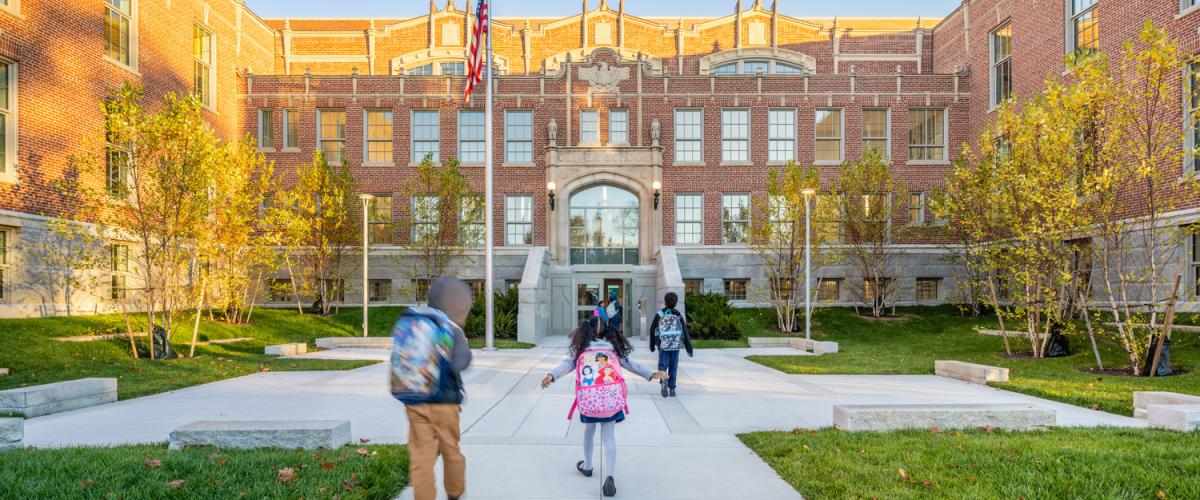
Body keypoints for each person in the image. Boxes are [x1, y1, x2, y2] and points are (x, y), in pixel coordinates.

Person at [541, 316, 667, 497]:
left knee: (589, 431)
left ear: (586, 332)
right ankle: (609, 476)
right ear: (609, 332)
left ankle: (588, 466)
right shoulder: (613, 351)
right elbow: (632, 365)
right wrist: (652, 374)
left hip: (589, 401)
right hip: (611, 401)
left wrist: (551, 376)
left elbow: (567, 364)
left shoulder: (582, 350)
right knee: (609, 437)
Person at [401, 277, 473, 500]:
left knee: (421, 456)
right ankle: (454, 493)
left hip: (415, 400)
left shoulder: (414, 322)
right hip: (446, 403)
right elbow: (461, 362)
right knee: (451, 449)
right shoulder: (450, 329)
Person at [649, 292, 693, 398]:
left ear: (665, 301)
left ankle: (664, 381)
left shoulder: (660, 314)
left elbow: (652, 329)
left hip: (663, 345)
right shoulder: (678, 315)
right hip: (675, 346)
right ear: (676, 302)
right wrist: (689, 348)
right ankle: (672, 388)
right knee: (673, 366)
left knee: (663, 365)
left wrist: (652, 344)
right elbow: (685, 331)